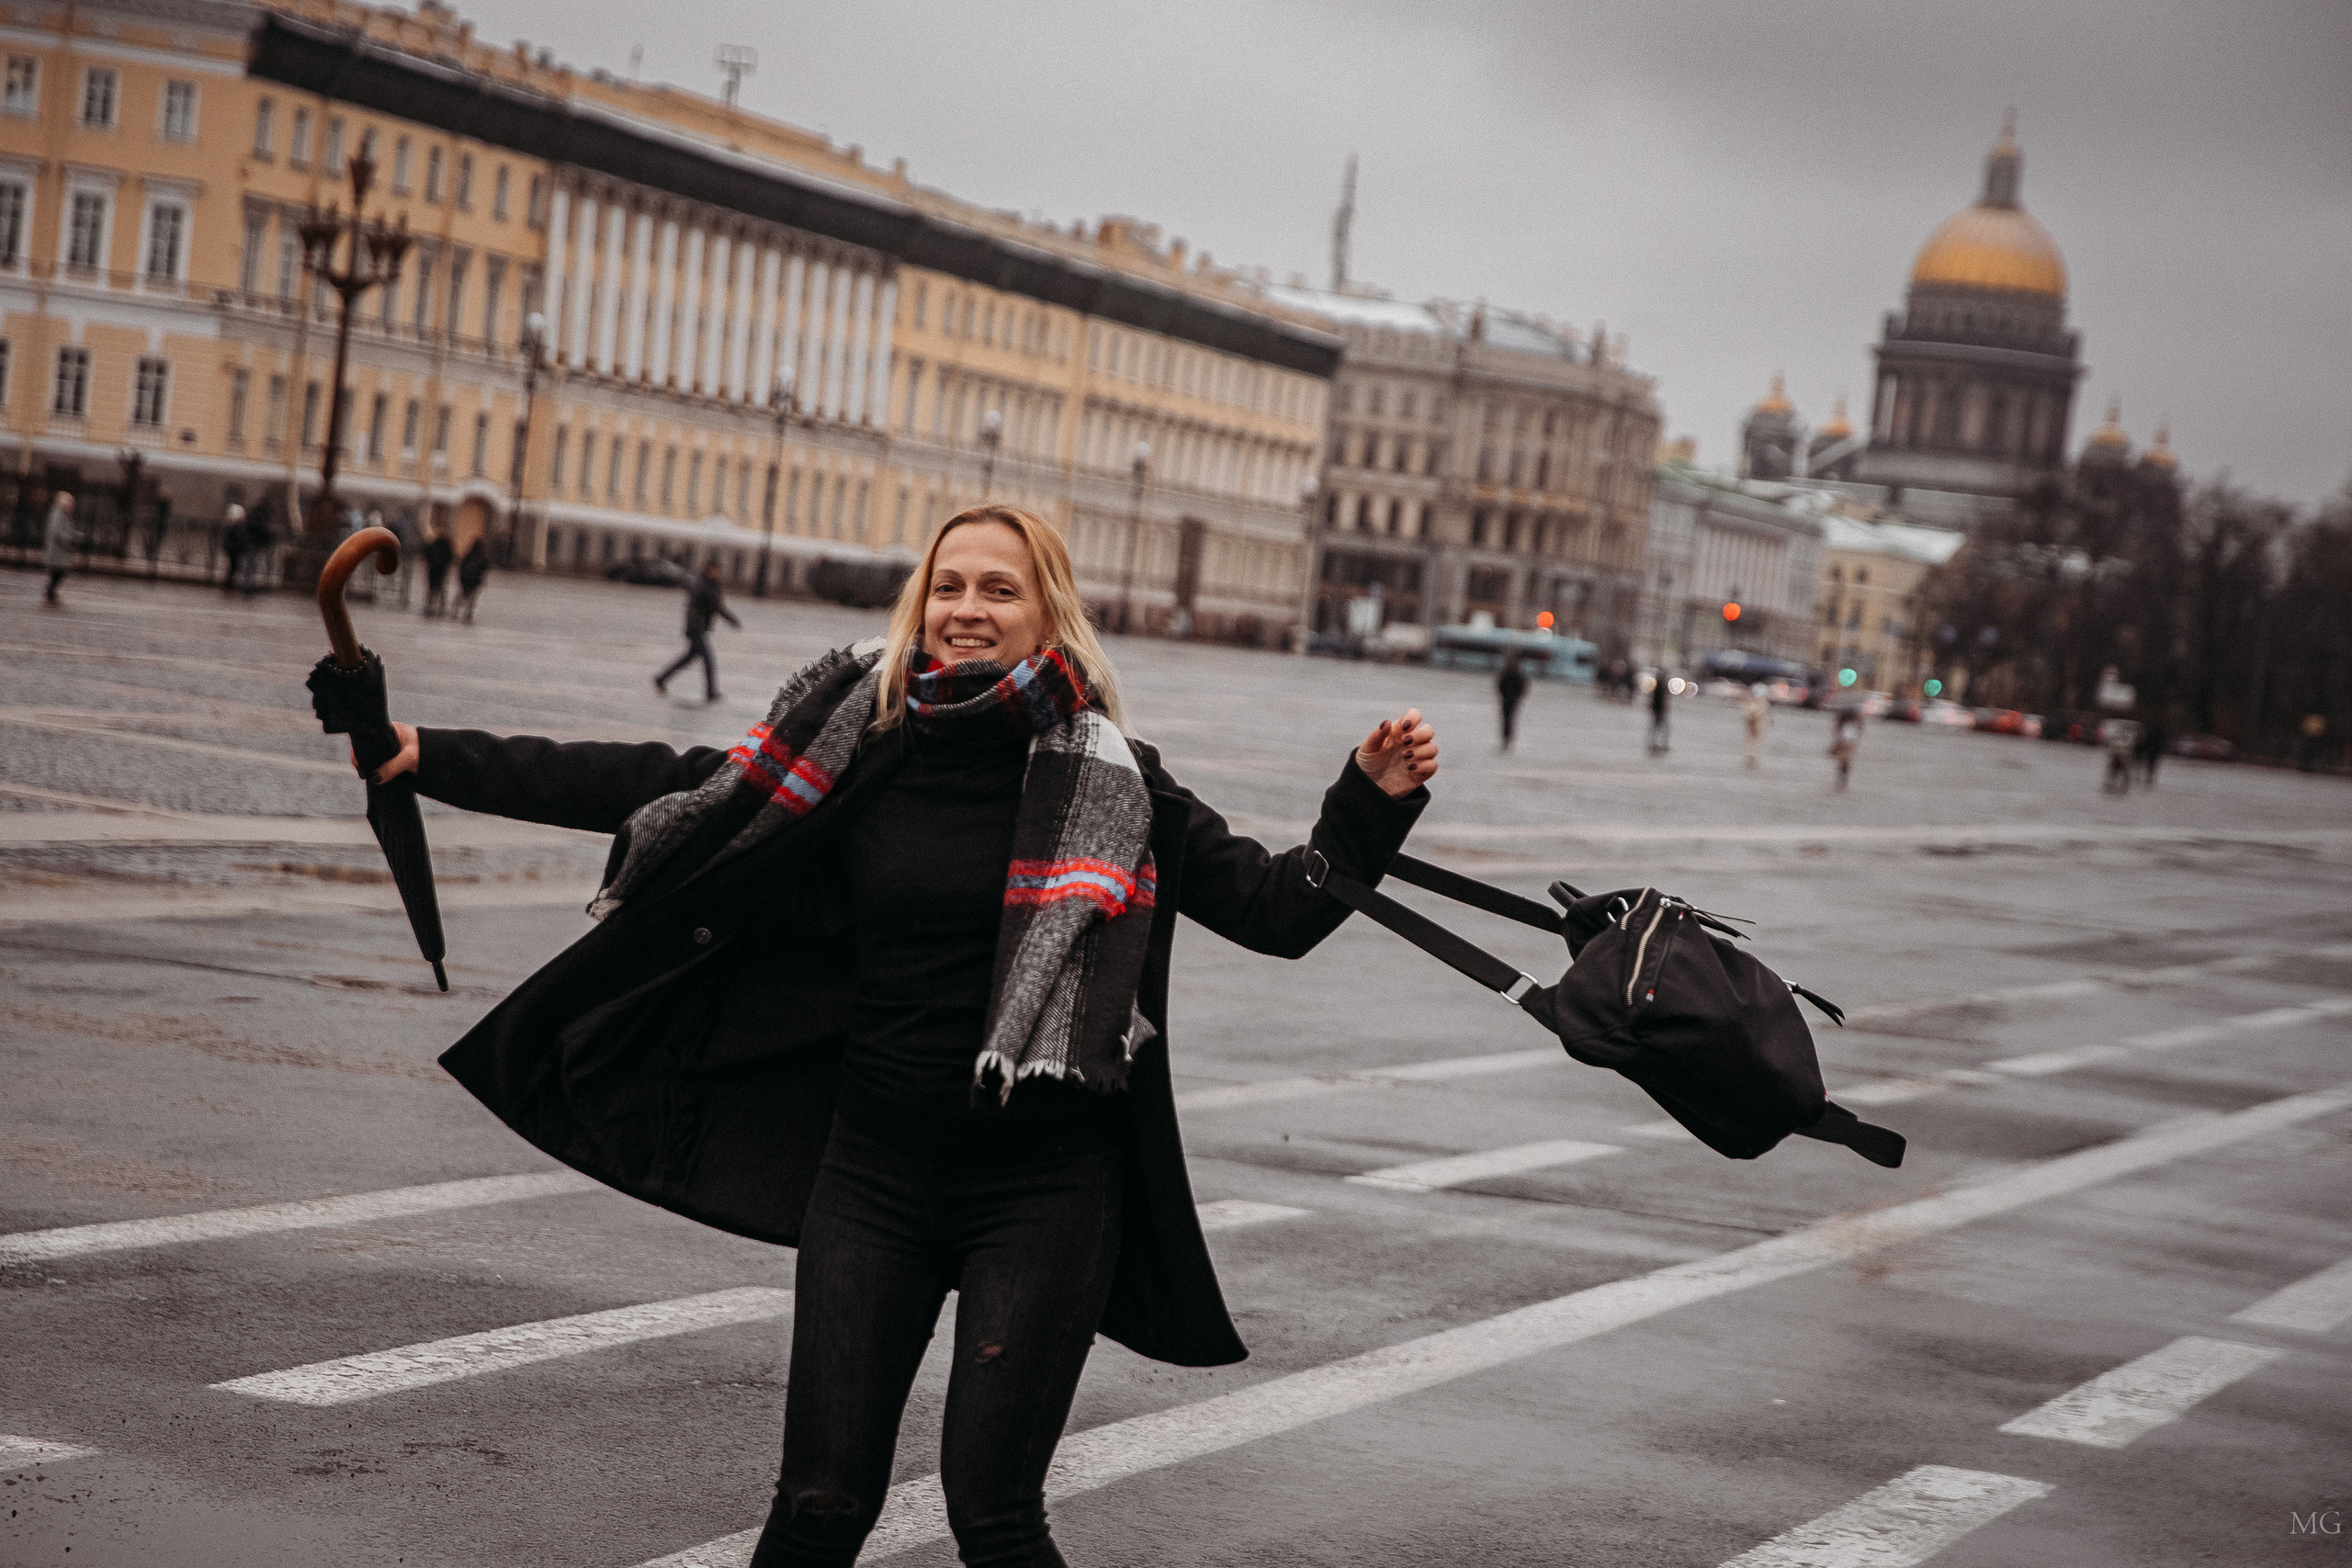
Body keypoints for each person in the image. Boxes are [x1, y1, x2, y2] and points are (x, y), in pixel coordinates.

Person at [318, 504, 1442, 1568]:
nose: (967, 605)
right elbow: (667, 782)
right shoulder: (858, 745)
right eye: (947, 584)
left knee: (992, 1516)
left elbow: (1273, 911)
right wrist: (426, 750)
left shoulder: (1119, 781)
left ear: (1049, 616)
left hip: (1043, 1191)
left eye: (999, 588)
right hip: (873, 1176)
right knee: (817, 1505)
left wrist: (1367, 802)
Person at [656, 560, 742, 702]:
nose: (717, 573)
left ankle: (661, 678)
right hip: (696, 629)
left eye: (718, 570)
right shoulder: (701, 585)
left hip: (700, 628)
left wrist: (731, 619)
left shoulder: (711, 585)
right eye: (715, 570)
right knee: (708, 659)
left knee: (688, 658)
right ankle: (711, 691)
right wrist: (695, 626)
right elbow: (700, 608)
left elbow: (717, 606)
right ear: (708, 570)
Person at [40, 491, 79, 606]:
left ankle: (51, 591)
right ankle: (50, 591)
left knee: (59, 572)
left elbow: (69, 530)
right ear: (62, 501)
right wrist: (68, 539)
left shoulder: (63, 513)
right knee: (60, 572)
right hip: (57, 549)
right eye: (69, 501)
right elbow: (56, 531)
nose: (71, 504)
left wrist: (79, 536)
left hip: (60, 550)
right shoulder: (58, 513)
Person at [1496, 651, 1529, 750]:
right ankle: (1506, 739)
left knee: (1509, 719)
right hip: (1507, 699)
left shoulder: (1516, 674)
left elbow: (1522, 688)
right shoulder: (1510, 673)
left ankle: (1507, 739)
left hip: (1512, 700)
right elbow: (1500, 685)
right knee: (1507, 720)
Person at [456, 536, 492, 624]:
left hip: (467, 579)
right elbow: (486, 566)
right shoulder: (482, 556)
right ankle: (468, 613)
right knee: (472, 598)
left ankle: (457, 609)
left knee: (464, 594)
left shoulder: (469, 554)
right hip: (475, 580)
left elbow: (462, 565)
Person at [2100, 717, 2139, 795]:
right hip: (2119, 758)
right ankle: (2113, 785)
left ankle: (2118, 786)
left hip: (2120, 759)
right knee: (2116, 773)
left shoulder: (2124, 739)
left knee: (2118, 773)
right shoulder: (2121, 740)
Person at [423, 526, 455, 617]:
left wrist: (431, 563)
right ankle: (441, 608)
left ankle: (429, 607)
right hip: (441, 571)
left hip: (433, 570)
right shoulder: (447, 546)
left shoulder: (434, 544)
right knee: (440, 590)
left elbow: (427, 554)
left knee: (431, 590)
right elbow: (450, 557)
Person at [1829, 707, 1862, 792]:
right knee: (1845, 764)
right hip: (1848, 745)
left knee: (1843, 764)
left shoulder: (1843, 723)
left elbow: (1838, 735)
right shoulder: (1853, 723)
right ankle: (1842, 783)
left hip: (1844, 744)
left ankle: (1841, 783)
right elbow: (1856, 733)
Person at [219, 503, 248, 592]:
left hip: (233, 549)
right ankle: (228, 584)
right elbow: (236, 538)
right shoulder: (235, 527)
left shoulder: (234, 526)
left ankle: (229, 584)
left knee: (233, 567)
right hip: (233, 549)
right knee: (233, 567)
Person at [1743, 683, 1771, 770]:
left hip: (1756, 721)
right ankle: (1752, 756)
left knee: (1753, 740)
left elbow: (1749, 711)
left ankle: (1751, 756)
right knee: (1755, 740)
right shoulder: (1762, 702)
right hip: (1756, 722)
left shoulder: (1756, 702)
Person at [1647, 671, 1671, 754]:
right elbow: (1661, 700)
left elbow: (1652, 699)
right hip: (1659, 710)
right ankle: (1658, 744)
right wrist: (1664, 708)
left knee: (1656, 728)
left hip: (1657, 709)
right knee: (1662, 728)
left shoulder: (1657, 686)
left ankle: (1655, 743)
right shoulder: (1661, 687)